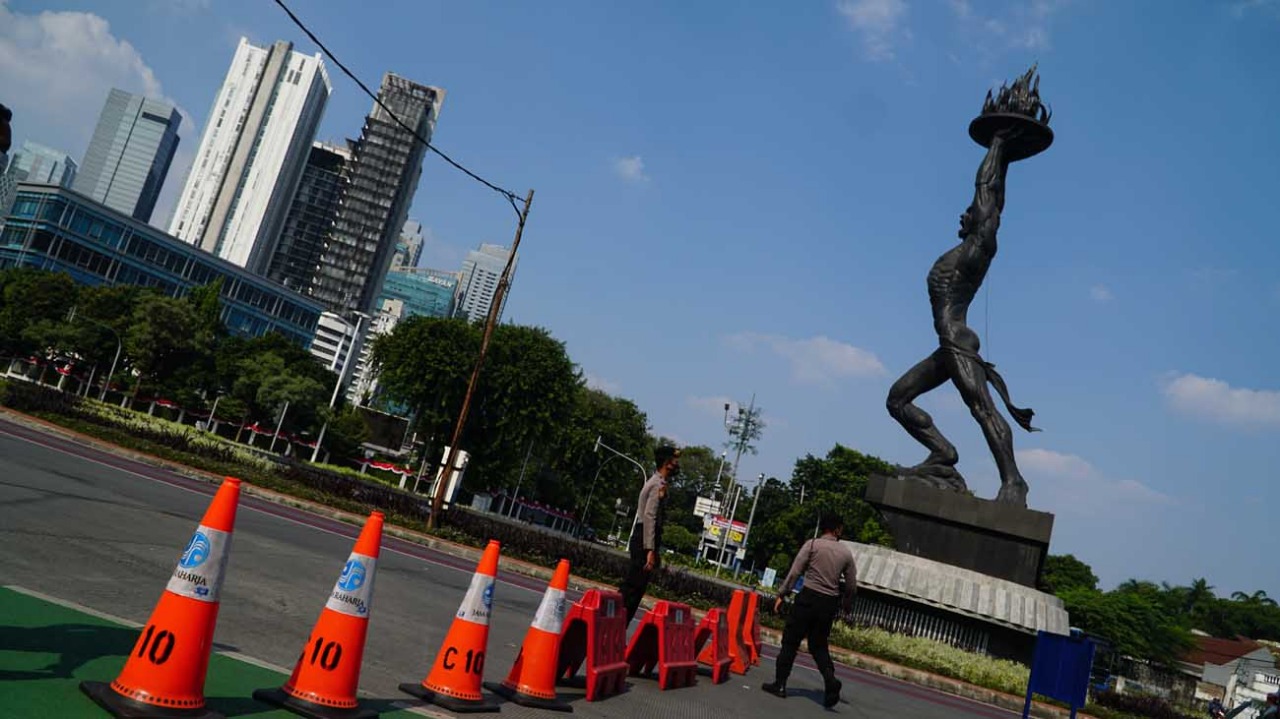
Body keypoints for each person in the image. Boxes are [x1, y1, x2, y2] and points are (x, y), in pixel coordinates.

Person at [884, 123, 1039, 506]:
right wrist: (1001, 157)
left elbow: (988, 194)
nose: (963, 215)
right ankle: (943, 454)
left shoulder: (977, 248)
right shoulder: (967, 250)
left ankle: (1013, 483)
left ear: (981, 221)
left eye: (969, 213)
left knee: (982, 409)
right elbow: (990, 197)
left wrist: (998, 146)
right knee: (897, 400)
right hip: (948, 343)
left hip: (957, 341)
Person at [762, 512, 857, 708]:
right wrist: (846, 606)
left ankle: (780, 684)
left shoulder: (812, 545)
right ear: (838, 529)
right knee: (819, 645)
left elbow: (795, 572)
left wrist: (782, 594)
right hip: (828, 604)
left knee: (790, 641)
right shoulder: (845, 554)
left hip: (807, 598)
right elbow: (851, 586)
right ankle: (830, 680)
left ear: (823, 528)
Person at [618, 445, 679, 624]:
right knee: (633, 587)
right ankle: (616, 625)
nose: (676, 465)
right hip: (644, 538)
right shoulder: (657, 484)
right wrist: (650, 549)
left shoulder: (658, 482)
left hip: (644, 536)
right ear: (667, 463)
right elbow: (650, 517)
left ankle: (617, 625)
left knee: (635, 586)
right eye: (674, 461)